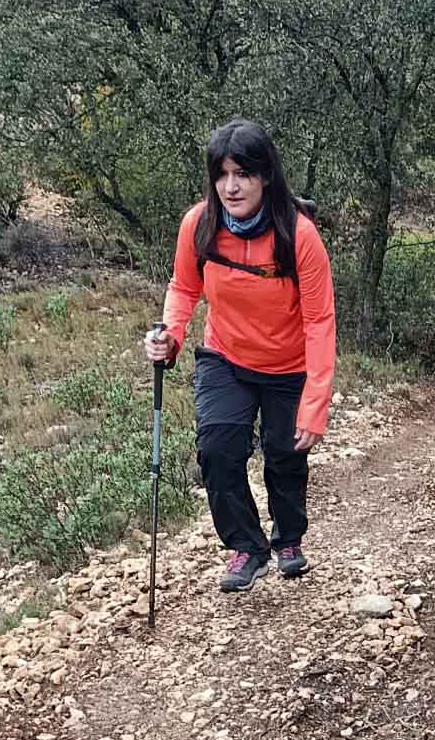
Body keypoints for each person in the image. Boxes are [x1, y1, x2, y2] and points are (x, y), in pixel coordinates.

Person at [144, 119, 336, 594]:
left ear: (266, 176)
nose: (231, 186)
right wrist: (169, 335)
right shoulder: (200, 224)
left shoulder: (299, 235)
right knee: (217, 451)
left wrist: (315, 405)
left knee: (285, 456)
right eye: (222, 174)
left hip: (288, 364)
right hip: (225, 357)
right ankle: (247, 547)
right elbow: (185, 287)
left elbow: (319, 321)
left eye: (244, 174)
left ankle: (288, 539)